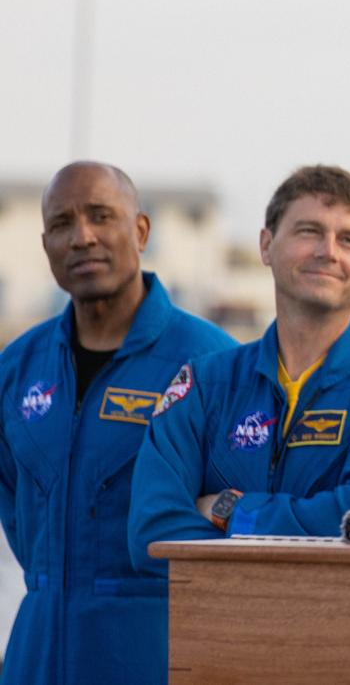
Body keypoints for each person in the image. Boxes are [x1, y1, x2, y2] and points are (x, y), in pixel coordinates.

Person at [128, 165, 350, 570]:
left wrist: (232, 512)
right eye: (308, 231)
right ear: (266, 245)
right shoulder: (205, 386)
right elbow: (153, 536)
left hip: (349, 631)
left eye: (348, 240)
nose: (327, 251)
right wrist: (307, 530)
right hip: (225, 631)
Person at [0, 162, 235, 685]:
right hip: (36, 651)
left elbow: (240, 520)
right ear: (46, 246)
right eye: (62, 224)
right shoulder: (16, 371)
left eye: (101, 216)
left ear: (141, 231)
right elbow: (19, 514)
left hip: (155, 650)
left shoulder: (211, 364)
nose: (82, 237)